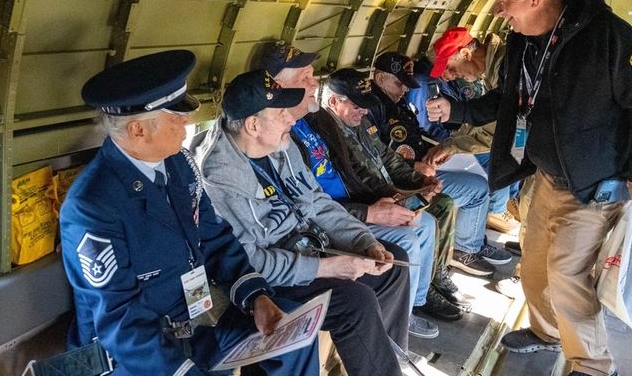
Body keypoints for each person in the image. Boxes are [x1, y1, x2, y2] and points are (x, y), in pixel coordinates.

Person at [426, 0, 632, 376]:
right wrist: (460, 112)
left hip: (592, 184)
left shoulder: (607, 36)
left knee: (567, 275)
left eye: (504, 0)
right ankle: (546, 331)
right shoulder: (524, 41)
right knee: (534, 265)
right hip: (545, 177)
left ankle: (593, 366)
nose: (500, 11)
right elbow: (508, 99)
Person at [59, 50, 318, 376]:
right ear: (139, 131)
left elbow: (215, 237)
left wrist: (257, 298)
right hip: (139, 353)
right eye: (175, 117)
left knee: (294, 335)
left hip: (196, 319)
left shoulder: (178, 165)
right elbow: (118, 322)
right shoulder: (93, 206)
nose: (187, 123)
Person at [195, 68, 410, 376]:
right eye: (282, 113)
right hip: (272, 277)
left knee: (393, 266)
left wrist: (364, 241)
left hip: (309, 248)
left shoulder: (281, 145)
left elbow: (318, 202)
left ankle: (377, 356)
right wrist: (326, 268)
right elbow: (246, 260)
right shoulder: (219, 176)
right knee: (354, 300)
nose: (292, 120)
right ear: (253, 125)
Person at [309, 67, 472, 320]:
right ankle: (412, 304)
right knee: (418, 229)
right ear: (333, 102)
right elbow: (358, 177)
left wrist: (418, 180)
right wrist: (395, 197)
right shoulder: (328, 131)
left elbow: (385, 156)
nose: (364, 111)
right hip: (364, 201)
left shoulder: (360, 122)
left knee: (433, 214)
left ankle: (423, 292)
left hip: (383, 192)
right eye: (357, 106)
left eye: (365, 105)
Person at [368, 51, 513, 277]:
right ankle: (463, 250)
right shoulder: (371, 109)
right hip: (405, 174)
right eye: (399, 84)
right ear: (379, 79)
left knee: (486, 168)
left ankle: (472, 241)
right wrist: (414, 166)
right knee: (476, 188)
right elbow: (376, 153)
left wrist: (444, 146)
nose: (405, 90)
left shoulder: (395, 103)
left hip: (424, 161)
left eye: (406, 84)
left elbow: (416, 134)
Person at [413, 28, 522, 232]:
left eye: (453, 69)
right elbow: (488, 115)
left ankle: (499, 210)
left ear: (465, 54)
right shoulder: (496, 68)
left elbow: (502, 127)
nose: (453, 76)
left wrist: (453, 146)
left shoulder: (505, 67)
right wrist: (451, 144)